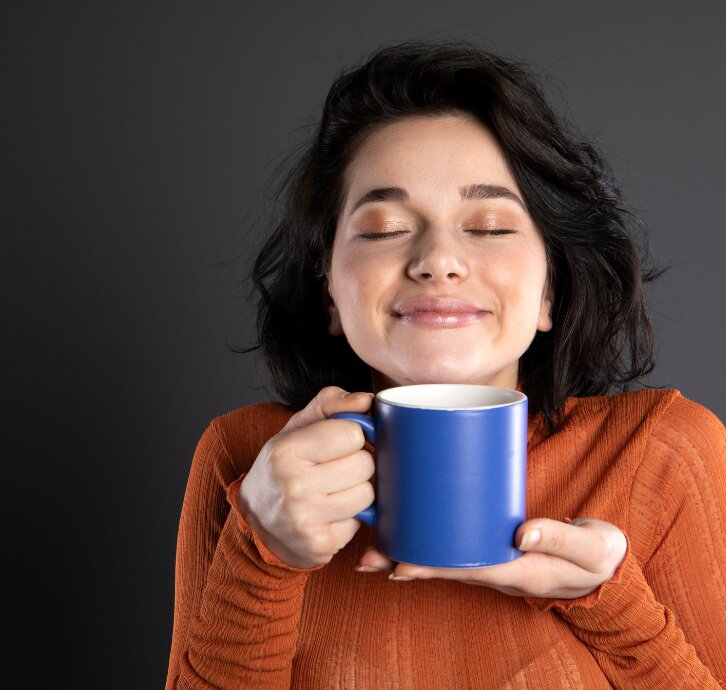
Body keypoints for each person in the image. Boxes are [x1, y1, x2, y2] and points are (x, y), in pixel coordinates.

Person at [166, 40, 726, 689]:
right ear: (329, 294)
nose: (438, 259)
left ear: (549, 292)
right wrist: (260, 554)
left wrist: (611, 601)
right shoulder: (246, 457)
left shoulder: (663, 450)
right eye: (382, 228)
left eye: (488, 226)